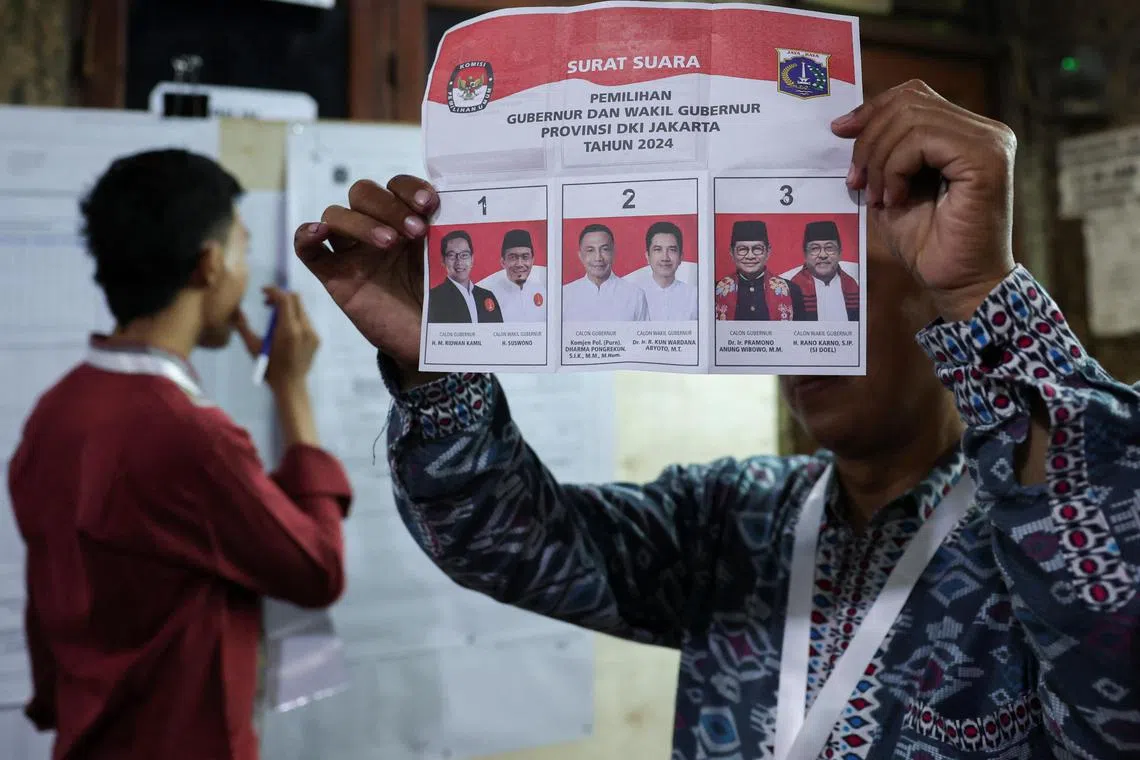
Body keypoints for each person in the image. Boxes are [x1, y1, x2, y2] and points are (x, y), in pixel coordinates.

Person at [293, 80, 1140, 759]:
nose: (797, 341)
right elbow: (512, 544)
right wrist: (438, 366)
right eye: (782, 307)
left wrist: (983, 294)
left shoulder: (1028, 540)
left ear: (936, 318)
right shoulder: (737, 516)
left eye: (831, 306)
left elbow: (1118, 651)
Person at [8, 149, 352, 760]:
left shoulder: (56, 410)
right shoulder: (191, 436)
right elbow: (318, 568)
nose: (247, 274)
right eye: (243, 251)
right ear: (210, 265)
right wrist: (293, 393)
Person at [715, 220, 807, 321]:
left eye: (757, 249)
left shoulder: (792, 290)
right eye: (742, 249)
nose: (750, 256)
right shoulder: (715, 290)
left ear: (768, 252)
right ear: (732, 252)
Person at [562, 223, 649, 322]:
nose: (598, 258)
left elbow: (643, 336)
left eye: (605, 249)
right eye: (590, 250)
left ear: (613, 252)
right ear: (580, 256)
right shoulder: (564, 295)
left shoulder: (635, 295)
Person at [425, 229, 503, 323]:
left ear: (472, 259)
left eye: (464, 255)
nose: (459, 261)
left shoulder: (487, 296)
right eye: (452, 255)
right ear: (443, 260)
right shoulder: (434, 298)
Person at [789, 220, 860, 321]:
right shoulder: (792, 289)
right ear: (805, 255)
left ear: (840, 253)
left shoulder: (854, 286)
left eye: (829, 248)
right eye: (814, 249)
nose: (823, 255)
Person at [478, 228, 546, 322]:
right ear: (503, 262)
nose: (519, 264)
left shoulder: (543, 290)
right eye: (513, 257)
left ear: (532, 260)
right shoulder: (489, 295)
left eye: (525, 257)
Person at [640, 221, 698, 321]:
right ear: (647, 256)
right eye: (658, 249)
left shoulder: (694, 295)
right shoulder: (635, 294)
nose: (665, 257)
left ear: (681, 257)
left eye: (672, 250)